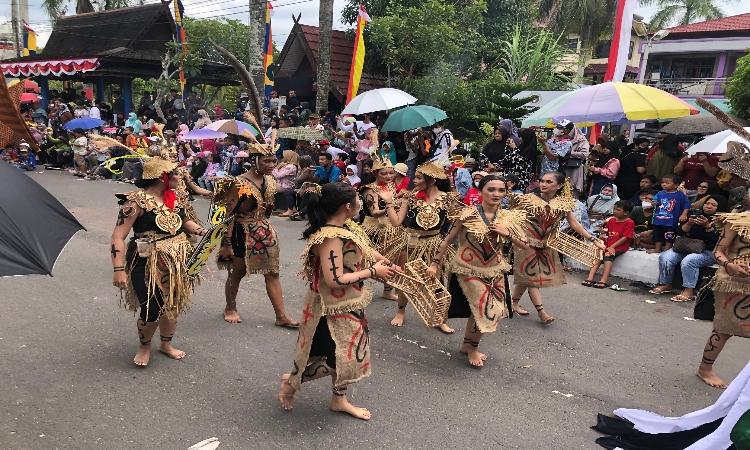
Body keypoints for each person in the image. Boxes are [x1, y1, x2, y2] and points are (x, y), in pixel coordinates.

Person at [277, 182, 400, 420]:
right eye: (357, 198)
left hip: (350, 304)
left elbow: (363, 248)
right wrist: (373, 272)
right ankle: (292, 382)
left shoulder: (345, 226)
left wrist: (386, 262)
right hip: (329, 309)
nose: (360, 202)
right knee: (338, 357)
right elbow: (335, 279)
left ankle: (339, 399)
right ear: (347, 206)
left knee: (348, 354)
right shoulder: (330, 237)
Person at [110, 154, 209, 367]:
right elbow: (118, 235)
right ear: (160, 176)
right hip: (146, 258)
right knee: (152, 305)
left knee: (172, 301)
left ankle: (166, 344)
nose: (179, 176)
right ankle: (144, 346)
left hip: (176, 258)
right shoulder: (135, 202)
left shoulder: (174, 197)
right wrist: (118, 268)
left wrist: (203, 231)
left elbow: (185, 222)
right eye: (174, 173)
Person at [430, 175, 526, 367]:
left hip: (494, 270)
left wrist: (508, 234)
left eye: (501, 190)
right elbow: (448, 239)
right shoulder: (467, 215)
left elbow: (524, 244)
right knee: (483, 309)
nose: (496, 194)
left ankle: (468, 345)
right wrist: (434, 263)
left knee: (487, 310)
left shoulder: (509, 217)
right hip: (468, 269)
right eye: (491, 189)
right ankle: (473, 348)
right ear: (480, 191)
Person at [215, 141, 299, 328]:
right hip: (240, 231)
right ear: (254, 161)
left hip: (264, 231)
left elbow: (271, 201)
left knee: (272, 272)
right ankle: (230, 308)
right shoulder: (238, 183)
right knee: (238, 271)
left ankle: (281, 315)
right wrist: (227, 243)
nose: (271, 165)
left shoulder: (270, 180)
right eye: (266, 161)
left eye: (273, 161)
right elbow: (228, 215)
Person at [377, 155, 459, 333]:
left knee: (439, 281)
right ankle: (400, 311)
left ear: (432, 180)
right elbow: (397, 222)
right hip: (410, 243)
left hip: (435, 244)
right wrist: (389, 202)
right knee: (407, 279)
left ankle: (439, 318)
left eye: (419, 178)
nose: (414, 181)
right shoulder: (411, 197)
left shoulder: (447, 199)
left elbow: (452, 227)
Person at [510, 172, 604, 323]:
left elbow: (574, 223)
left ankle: (513, 302)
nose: (543, 184)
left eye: (548, 182)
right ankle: (541, 312)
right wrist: (518, 235)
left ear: (559, 185)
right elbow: (513, 218)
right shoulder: (528, 199)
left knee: (529, 276)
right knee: (532, 277)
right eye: (542, 181)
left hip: (546, 242)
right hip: (525, 241)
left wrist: (592, 239)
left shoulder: (563, 203)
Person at [697, 203, 750, 389]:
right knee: (723, 329)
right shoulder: (737, 220)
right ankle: (705, 368)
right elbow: (718, 252)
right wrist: (730, 265)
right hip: (732, 281)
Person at [649, 195, 726, 301]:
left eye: (713, 205)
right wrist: (689, 223)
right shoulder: (693, 214)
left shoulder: (722, 221)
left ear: (719, 207)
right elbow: (679, 232)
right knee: (665, 257)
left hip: (708, 252)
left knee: (689, 261)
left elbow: (717, 241)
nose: (709, 206)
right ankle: (666, 284)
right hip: (687, 247)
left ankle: (689, 291)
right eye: (707, 203)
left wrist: (708, 226)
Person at [360, 158, 406, 301]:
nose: (389, 177)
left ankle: (387, 290)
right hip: (374, 228)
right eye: (384, 173)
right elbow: (374, 212)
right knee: (366, 259)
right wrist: (392, 204)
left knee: (391, 258)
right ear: (375, 173)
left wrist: (401, 198)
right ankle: (357, 286)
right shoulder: (370, 189)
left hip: (390, 227)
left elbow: (391, 200)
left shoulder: (390, 185)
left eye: (391, 173)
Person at [582, 200, 635, 289]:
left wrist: (612, 247)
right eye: (614, 209)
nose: (614, 211)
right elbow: (607, 233)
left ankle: (604, 280)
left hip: (619, 246)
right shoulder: (611, 220)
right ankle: (590, 278)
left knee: (608, 255)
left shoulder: (629, 222)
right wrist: (602, 238)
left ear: (626, 213)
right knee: (598, 255)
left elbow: (625, 237)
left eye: (618, 210)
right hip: (608, 244)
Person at [649, 174, 691, 253]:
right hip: (658, 219)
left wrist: (684, 214)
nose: (664, 184)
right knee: (657, 235)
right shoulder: (659, 193)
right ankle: (657, 249)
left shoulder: (680, 195)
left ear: (676, 185)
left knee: (669, 236)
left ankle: (666, 251)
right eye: (662, 182)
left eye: (667, 183)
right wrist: (653, 203)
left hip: (671, 221)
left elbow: (687, 205)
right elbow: (655, 202)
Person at [272, 150, 299, 217]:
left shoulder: (291, 166)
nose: (281, 158)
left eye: (283, 156)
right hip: (281, 184)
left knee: (267, 187)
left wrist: (277, 167)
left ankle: (269, 207)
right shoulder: (286, 165)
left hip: (286, 186)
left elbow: (278, 175)